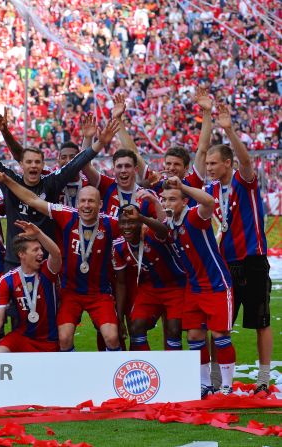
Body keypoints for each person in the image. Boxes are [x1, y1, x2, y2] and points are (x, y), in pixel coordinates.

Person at [0, 102, 115, 269]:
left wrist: (99, 143)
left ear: (42, 166)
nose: (33, 166)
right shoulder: (7, 179)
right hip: (14, 262)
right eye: (29, 162)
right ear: (21, 165)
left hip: (45, 262)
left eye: (37, 162)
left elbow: (76, 164)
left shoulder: (51, 183)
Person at [0, 168, 122, 352]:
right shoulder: (67, 215)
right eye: (83, 201)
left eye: (91, 201)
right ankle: (69, 376)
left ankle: (111, 375)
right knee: (64, 338)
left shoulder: (110, 223)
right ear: (78, 203)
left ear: (100, 204)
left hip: (99, 293)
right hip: (70, 292)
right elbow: (33, 200)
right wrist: (7, 181)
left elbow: (138, 228)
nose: (86, 205)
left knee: (112, 337)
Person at [203, 102, 271, 395]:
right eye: (207, 165)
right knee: (218, 324)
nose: (209, 169)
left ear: (227, 163)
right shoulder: (210, 191)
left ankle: (264, 377)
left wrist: (228, 129)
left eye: (213, 164)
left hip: (253, 259)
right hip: (225, 264)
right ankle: (216, 380)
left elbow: (246, 161)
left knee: (261, 321)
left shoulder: (245, 181)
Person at [161, 176, 237, 396]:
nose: (167, 204)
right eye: (165, 199)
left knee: (220, 334)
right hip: (193, 286)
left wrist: (182, 186)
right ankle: (204, 384)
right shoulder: (170, 223)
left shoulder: (194, 216)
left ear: (184, 202)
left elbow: (209, 203)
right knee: (194, 336)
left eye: (173, 199)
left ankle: (227, 385)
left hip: (216, 284)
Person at [0, 222, 62, 357]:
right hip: (23, 337)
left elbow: (56, 253)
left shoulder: (47, 270)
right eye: (35, 250)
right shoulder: (7, 280)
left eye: (40, 249)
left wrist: (39, 234)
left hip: (49, 340)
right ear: (22, 254)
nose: (41, 253)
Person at [112, 202, 187, 351]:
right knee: (136, 327)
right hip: (150, 288)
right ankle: (143, 370)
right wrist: (119, 318)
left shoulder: (151, 233)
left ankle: (175, 372)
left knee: (174, 329)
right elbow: (120, 283)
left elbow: (164, 231)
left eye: (132, 222)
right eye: (123, 222)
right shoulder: (118, 247)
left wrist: (141, 217)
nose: (127, 227)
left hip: (174, 285)